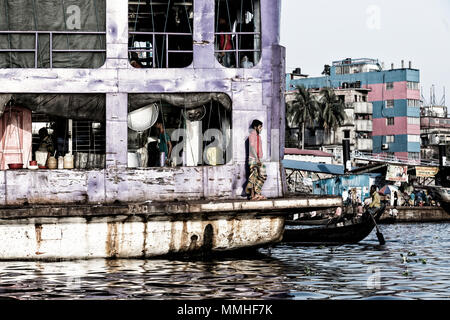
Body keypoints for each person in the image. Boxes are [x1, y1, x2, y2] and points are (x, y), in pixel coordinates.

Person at [245, 119, 267, 200]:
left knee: (262, 175)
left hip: (259, 159)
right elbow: (252, 147)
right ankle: (252, 195)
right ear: (255, 127)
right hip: (253, 158)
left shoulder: (259, 136)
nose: (261, 129)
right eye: (260, 127)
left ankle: (257, 193)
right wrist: (257, 158)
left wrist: (259, 159)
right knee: (253, 176)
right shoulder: (252, 135)